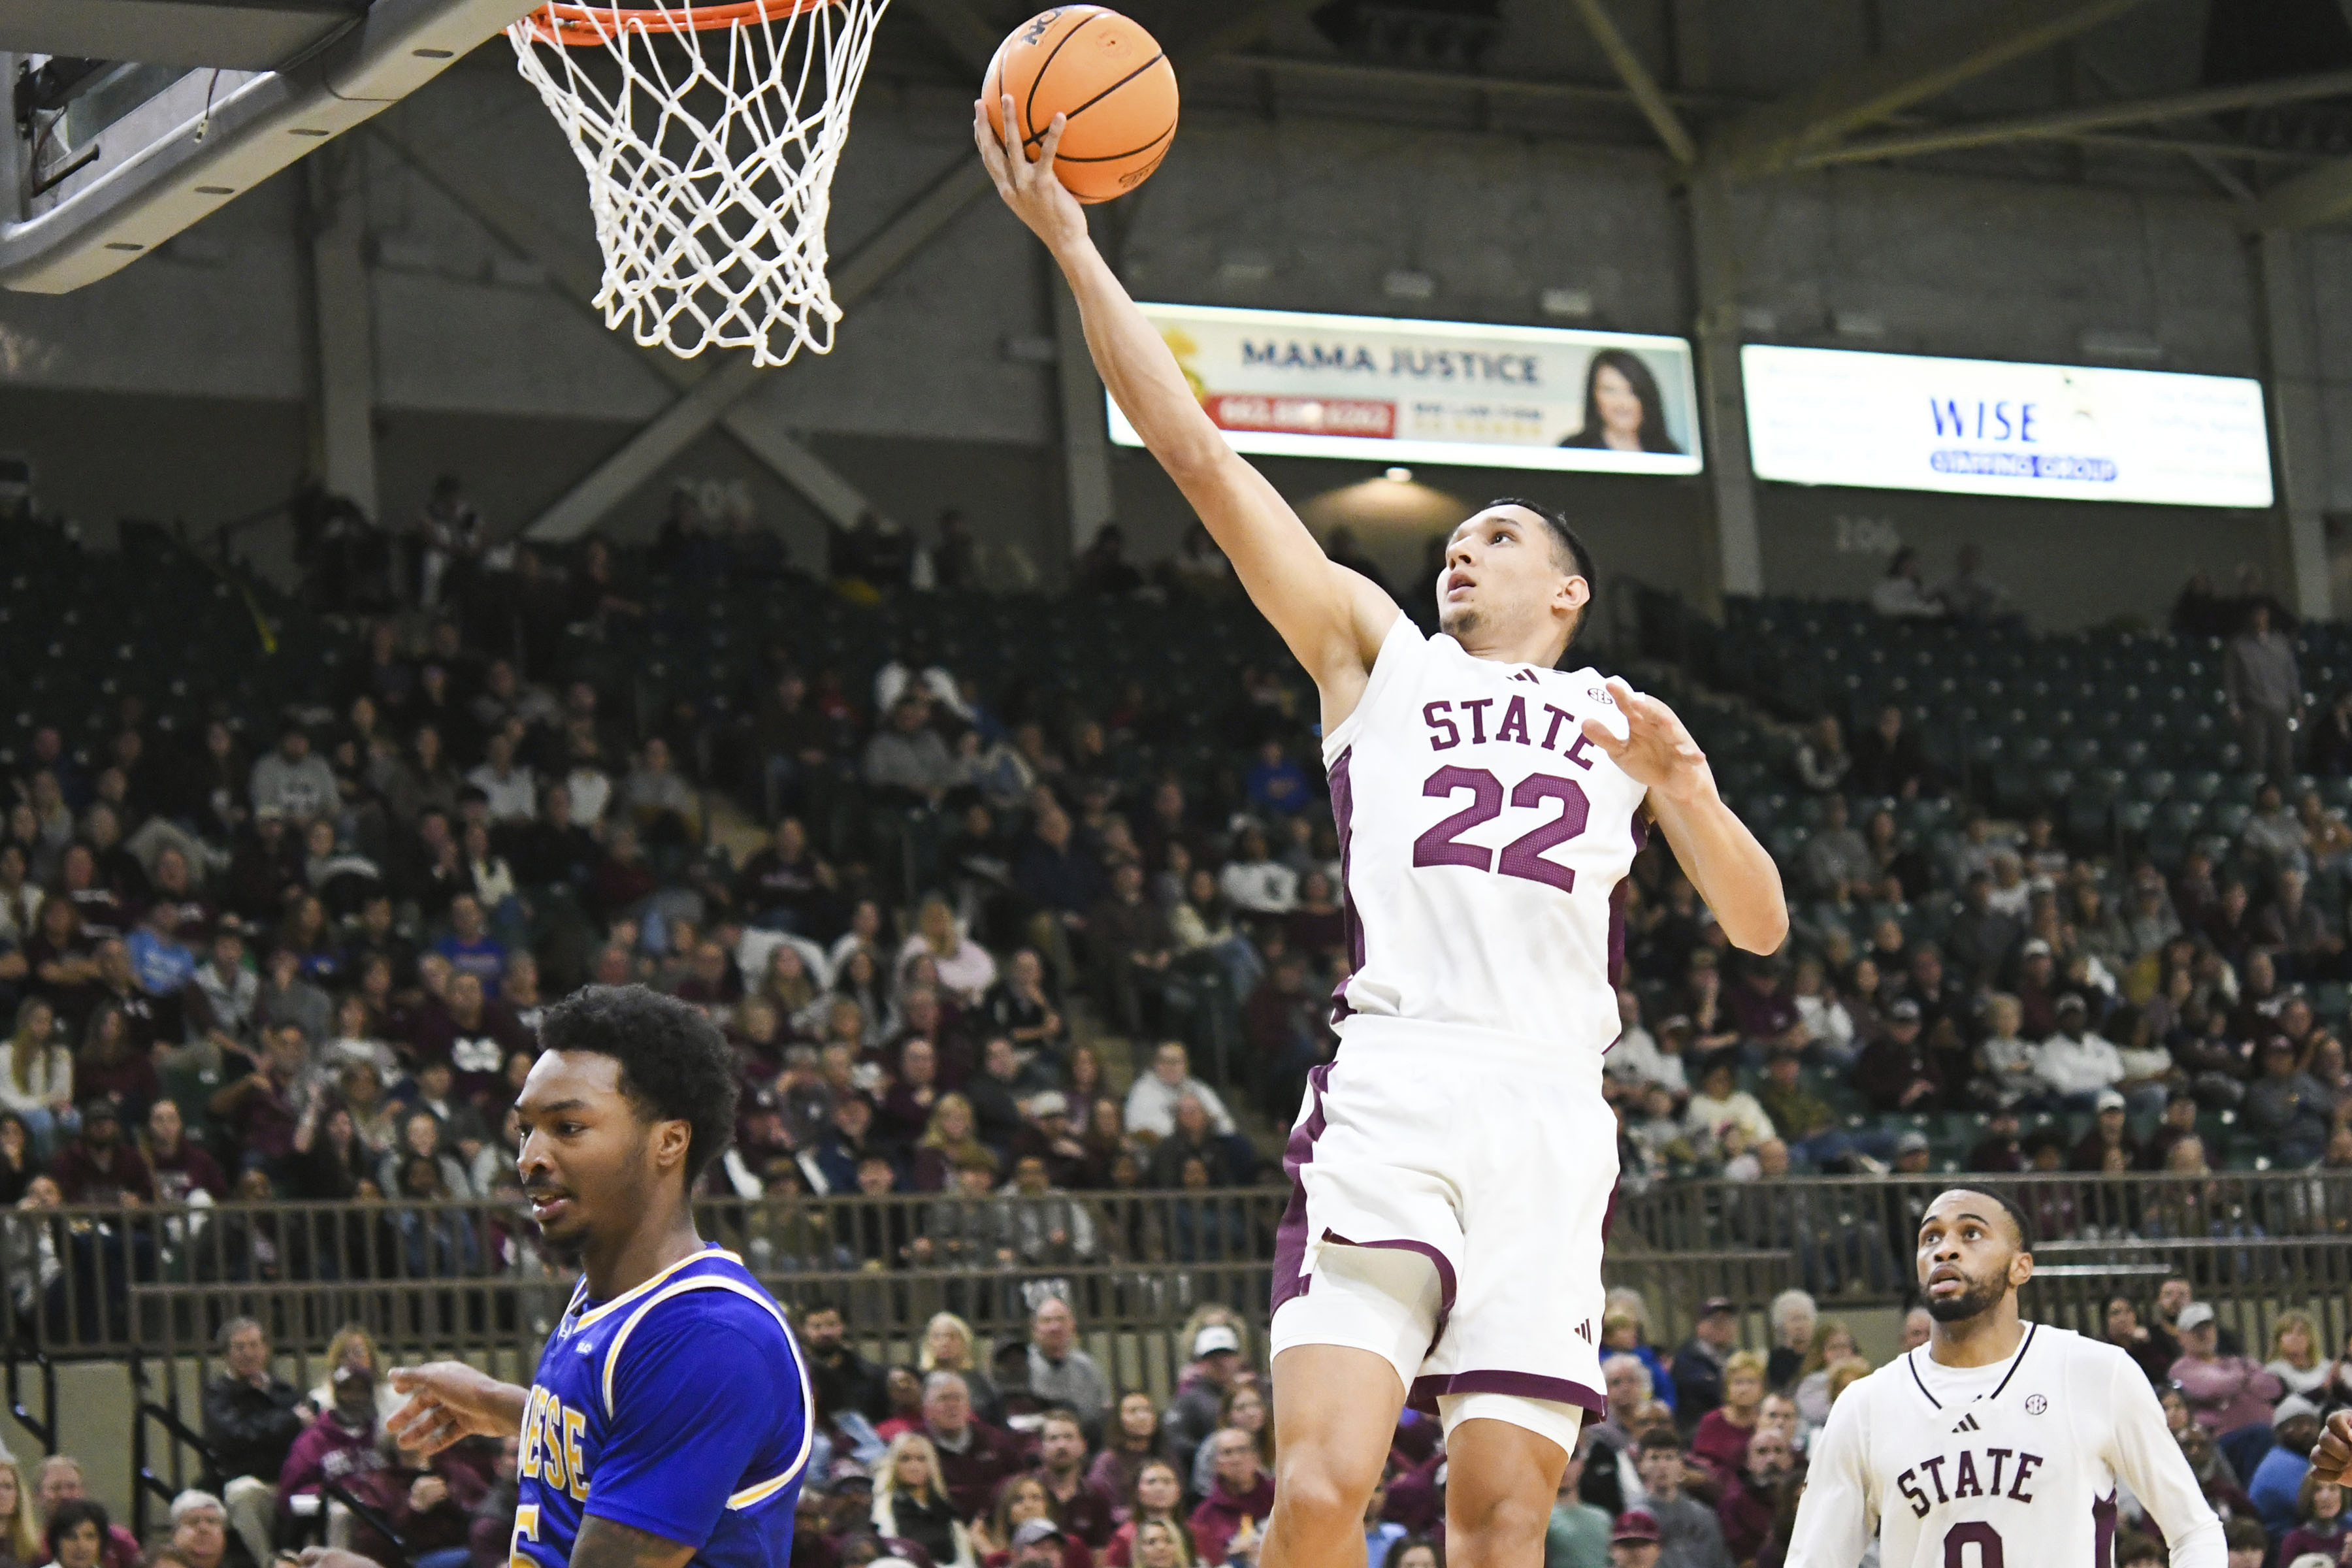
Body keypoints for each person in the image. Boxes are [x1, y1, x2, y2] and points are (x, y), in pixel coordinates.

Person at [979, 93, 1786, 1568]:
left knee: (1501, 1525)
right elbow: (1205, 465)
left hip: (1552, 1112)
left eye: (1502, 537)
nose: (1463, 547)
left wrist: (1688, 789)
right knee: (1315, 1494)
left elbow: (1759, 925)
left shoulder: (1628, 716)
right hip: (1402, 1085)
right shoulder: (1377, 653)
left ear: (1568, 592)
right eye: (1457, 537)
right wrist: (1078, 251)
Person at [354, 987, 811, 1568]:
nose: (529, 1158)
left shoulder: (709, 1336)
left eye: (567, 1128)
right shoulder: (610, 1296)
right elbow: (623, 1441)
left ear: (668, 1141)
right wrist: (502, 1404)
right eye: (525, 1130)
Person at [1781, 1186, 2224, 1566]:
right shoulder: (1865, 1405)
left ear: (2021, 1267)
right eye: (1930, 1237)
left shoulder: (2095, 1373)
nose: (1945, 1249)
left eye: (1971, 1233)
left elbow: (2194, 1531)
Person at [203, 1317, 311, 1568]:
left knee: (325, 1500)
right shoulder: (218, 1395)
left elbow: (303, 1437)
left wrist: (270, 1428)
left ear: (265, 1349)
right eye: (240, 1347)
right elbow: (236, 1436)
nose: (248, 1353)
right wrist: (288, 1423)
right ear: (226, 1354)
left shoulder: (285, 1391)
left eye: (254, 1345)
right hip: (251, 1481)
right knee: (243, 1494)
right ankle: (269, 1565)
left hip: (291, 1482)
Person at [1556, 351, 1682, 456]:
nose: (1622, 404)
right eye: (1610, 390)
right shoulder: (1573, 449)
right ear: (1594, 396)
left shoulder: (1670, 453)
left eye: (1631, 391)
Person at [2249, 1395, 2325, 1539]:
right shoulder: (2280, 1464)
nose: (2306, 1430)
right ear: (2279, 1432)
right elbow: (2320, 1508)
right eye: (2297, 1424)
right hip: (2279, 1542)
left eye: (2311, 1423)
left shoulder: (2301, 1459)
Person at [1544, 1439, 1611, 1568]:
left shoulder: (1602, 1518)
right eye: (1557, 1459)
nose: (1565, 1466)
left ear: (1582, 1465)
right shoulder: (1541, 1518)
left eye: (1571, 1459)